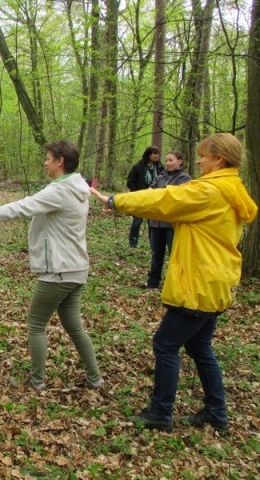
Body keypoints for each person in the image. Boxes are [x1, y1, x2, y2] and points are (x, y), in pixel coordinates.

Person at [91, 133, 257, 432]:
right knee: (199, 347)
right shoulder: (231, 188)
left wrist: (115, 200)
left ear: (219, 159)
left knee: (165, 344)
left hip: (199, 283)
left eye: (203, 156)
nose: (199, 161)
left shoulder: (210, 191)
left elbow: (164, 199)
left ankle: (161, 412)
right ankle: (216, 412)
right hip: (216, 280)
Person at [0, 140, 104, 391]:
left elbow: (19, 208)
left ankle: (36, 382)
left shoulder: (59, 191)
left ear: (60, 161)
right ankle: (95, 379)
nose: (45, 162)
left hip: (59, 270)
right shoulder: (78, 186)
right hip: (76, 269)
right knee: (74, 325)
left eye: (48, 158)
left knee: (36, 324)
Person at [145, 151, 191, 288]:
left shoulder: (185, 178)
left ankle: (173, 284)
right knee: (156, 254)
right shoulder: (160, 177)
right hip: (155, 222)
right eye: (166, 161)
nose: (168, 163)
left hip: (172, 224)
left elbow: (175, 198)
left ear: (180, 161)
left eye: (171, 160)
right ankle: (153, 283)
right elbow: (149, 192)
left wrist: (159, 195)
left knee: (174, 255)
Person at [126, 146, 162, 247]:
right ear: (148, 154)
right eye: (154, 153)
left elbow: (163, 180)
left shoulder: (159, 167)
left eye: (157, 154)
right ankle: (133, 243)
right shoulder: (138, 166)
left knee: (153, 222)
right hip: (140, 197)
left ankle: (153, 243)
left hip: (154, 198)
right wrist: (137, 193)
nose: (156, 156)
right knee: (137, 220)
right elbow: (130, 182)